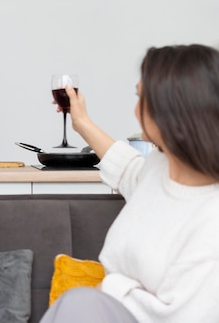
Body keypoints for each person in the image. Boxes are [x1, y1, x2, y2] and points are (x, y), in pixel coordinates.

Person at [41, 44, 219, 323]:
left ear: (171, 112)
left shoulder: (210, 220)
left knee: (77, 304)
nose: (135, 110)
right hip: (103, 309)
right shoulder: (160, 168)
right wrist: (81, 122)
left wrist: (107, 291)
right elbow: (128, 168)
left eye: (140, 97)